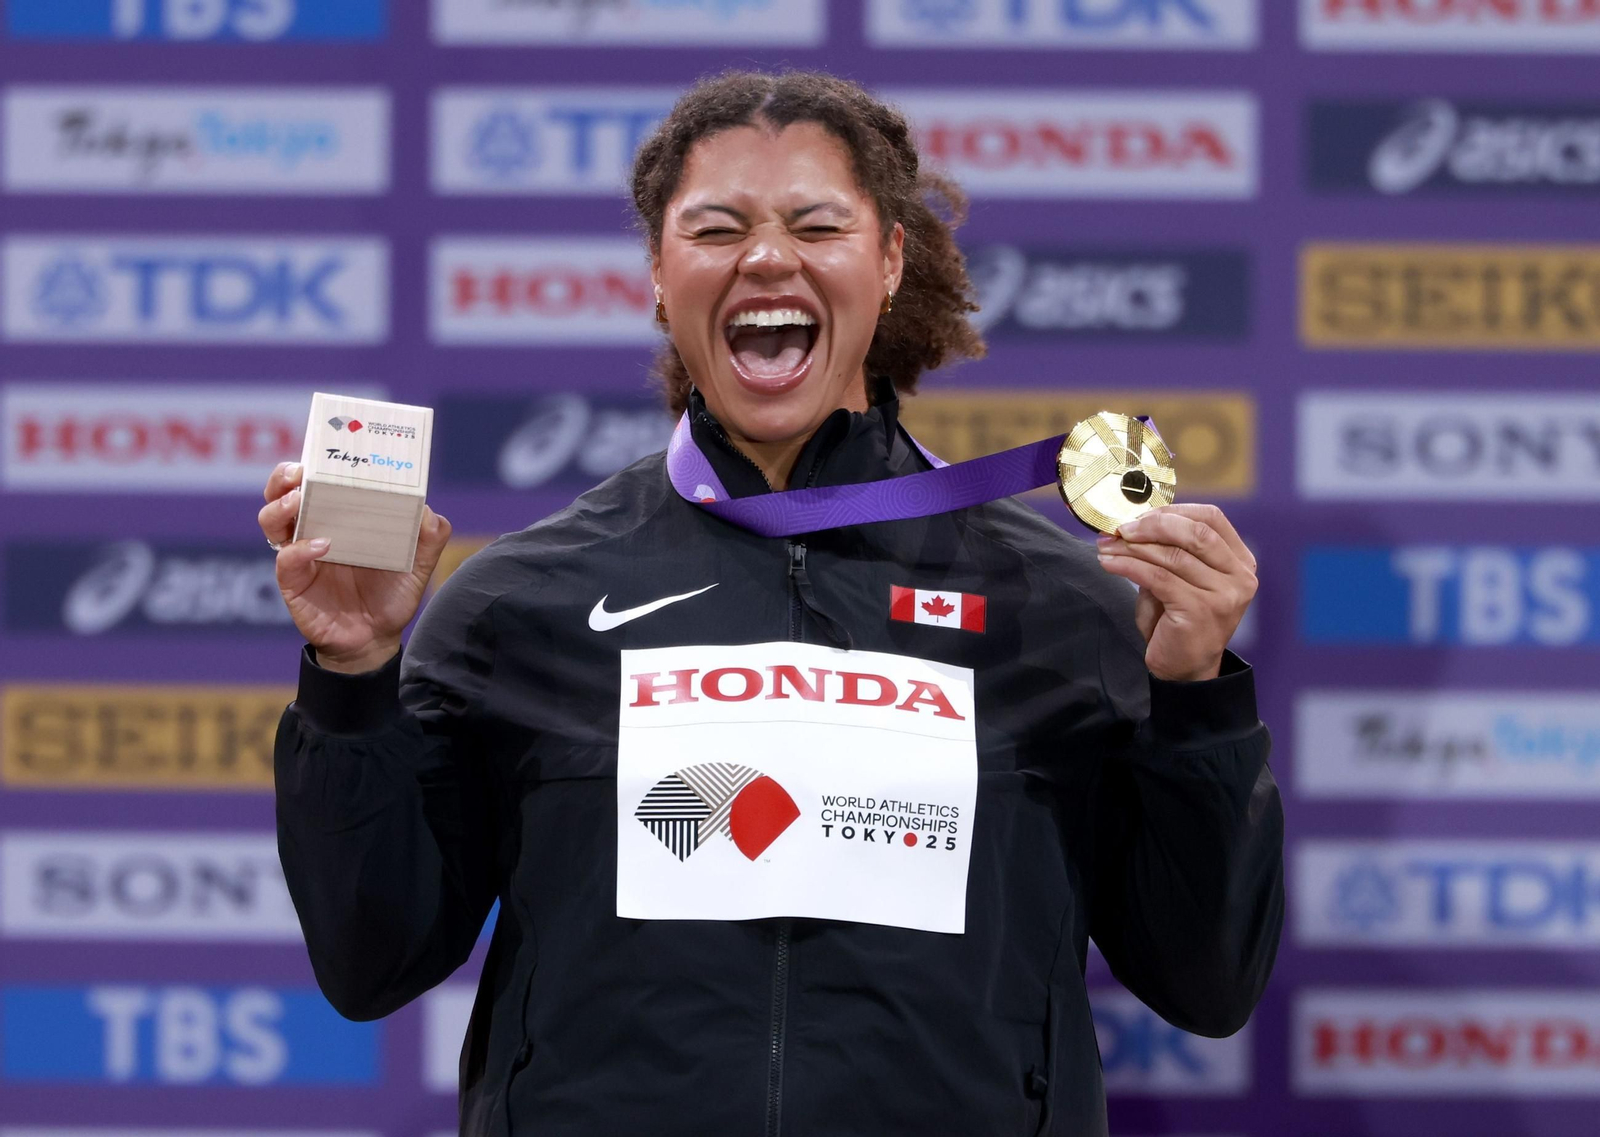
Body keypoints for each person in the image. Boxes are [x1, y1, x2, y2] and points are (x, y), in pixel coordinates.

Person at [265, 70, 1282, 1137]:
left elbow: (1206, 983)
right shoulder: (524, 601)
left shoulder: (1057, 607)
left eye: (816, 225)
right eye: (716, 229)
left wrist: (1196, 701)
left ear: (889, 260)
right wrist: (353, 677)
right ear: (659, 275)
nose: (764, 257)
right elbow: (372, 961)